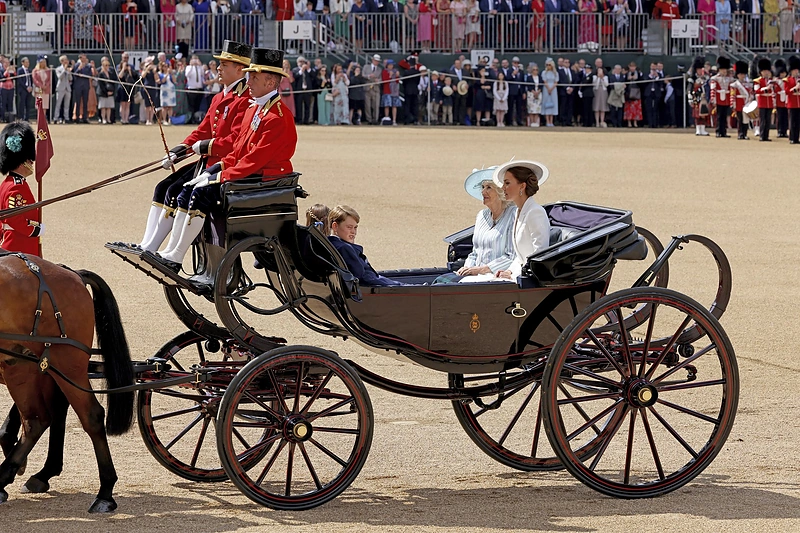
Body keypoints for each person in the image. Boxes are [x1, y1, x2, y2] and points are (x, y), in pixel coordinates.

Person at [153, 47, 298, 272]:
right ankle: (171, 251)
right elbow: (238, 150)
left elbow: (254, 160)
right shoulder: (255, 108)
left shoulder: (277, 117)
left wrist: (219, 175)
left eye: (254, 78)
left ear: (270, 83)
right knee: (187, 190)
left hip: (262, 178)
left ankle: (177, 255)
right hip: (246, 172)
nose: (248, 82)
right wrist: (214, 169)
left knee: (200, 194)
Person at [123, 41, 253, 254]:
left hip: (222, 164)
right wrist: (178, 151)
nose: (218, 68)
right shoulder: (220, 96)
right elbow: (202, 130)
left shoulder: (245, 99)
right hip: (207, 160)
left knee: (178, 192)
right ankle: (148, 244)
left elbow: (234, 141)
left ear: (240, 69)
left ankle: (164, 250)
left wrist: (202, 147)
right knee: (163, 187)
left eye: (224, 65)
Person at [435, 168, 516, 284]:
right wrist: (466, 268)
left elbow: (511, 256)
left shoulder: (513, 215)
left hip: (498, 278)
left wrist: (481, 270)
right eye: (483, 187)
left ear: (501, 191)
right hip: (475, 276)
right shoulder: (482, 215)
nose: (483, 192)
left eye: (488, 187)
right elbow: (475, 252)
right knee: (441, 281)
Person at [493, 161, 551, 281]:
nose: (503, 188)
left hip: (531, 279)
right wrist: (509, 270)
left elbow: (539, 254)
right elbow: (521, 256)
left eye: (507, 183)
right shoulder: (517, 212)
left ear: (522, 186)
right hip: (519, 276)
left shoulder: (535, 212)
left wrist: (513, 275)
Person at [328, 205, 403, 287]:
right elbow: (364, 278)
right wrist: (400, 285)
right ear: (335, 226)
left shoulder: (330, 244)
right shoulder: (344, 248)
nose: (353, 232)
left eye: (355, 227)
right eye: (349, 227)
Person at [0, 121, 42, 256]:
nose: (32, 161)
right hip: (18, 246)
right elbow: (13, 218)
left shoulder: (9, 183)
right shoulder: (15, 187)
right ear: (21, 161)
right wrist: (35, 229)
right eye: (29, 159)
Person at [710, 56, 732, 138]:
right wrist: (713, 100)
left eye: (725, 69)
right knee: (719, 116)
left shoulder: (729, 78)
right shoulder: (715, 78)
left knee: (724, 116)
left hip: (726, 99)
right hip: (719, 99)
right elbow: (713, 90)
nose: (724, 71)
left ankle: (724, 132)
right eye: (723, 69)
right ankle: (718, 131)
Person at [688, 56, 711, 136]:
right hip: (696, 98)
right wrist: (690, 99)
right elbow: (689, 90)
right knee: (697, 115)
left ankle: (703, 129)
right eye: (699, 69)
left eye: (701, 69)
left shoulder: (706, 78)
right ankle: (698, 129)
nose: (700, 71)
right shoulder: (692, 79)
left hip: (704, 99)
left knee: (704, 114)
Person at [731, 60, 751, 140]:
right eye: (741, 74)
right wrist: (733, 104)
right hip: (739, 103)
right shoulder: (735, 84)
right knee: (740, 120)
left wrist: (750, 99)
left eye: (743, 74)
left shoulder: (748, 84)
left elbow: (751, 93)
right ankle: (740, 133)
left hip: (746, 102)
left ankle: (745, 133)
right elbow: (733, 95)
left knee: (745, 120)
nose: (742, 76)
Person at [363, 55, 382, 125]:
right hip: (367, 88)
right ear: (372, 60)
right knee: (367, 105)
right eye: (375, 60)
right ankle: (369, 119)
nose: (376, 62)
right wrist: (369, 76)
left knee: (376, 105)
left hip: (376, 88)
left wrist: (378, 80)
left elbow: (381, 79)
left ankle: (375, 119)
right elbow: (363, 75)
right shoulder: (366, 67)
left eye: (378, 61)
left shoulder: (379, 69)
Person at [96, 58, 116, 125]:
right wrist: (106, 92)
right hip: (103, 92)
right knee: (103, 107)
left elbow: (113, 82)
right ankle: (103, 119)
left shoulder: (110, 73)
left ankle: (108, 119)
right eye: (105, 65)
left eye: (108, 65)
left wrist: (111, 91)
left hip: (110, 92)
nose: (107, 66)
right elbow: (101, 84)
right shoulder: (101, 74)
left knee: (109, 107)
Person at [32, 56, 52, 121]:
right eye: (42, 62)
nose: (43, 63)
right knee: (39, 104)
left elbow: (49, 79)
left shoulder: (48, 70)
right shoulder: (35, 70)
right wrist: (41, 86)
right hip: (39, 89)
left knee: (45, 105)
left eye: (44, 62)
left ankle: (43, 119)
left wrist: (46, 85)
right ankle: (39, 119)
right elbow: (35, 80)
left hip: (46, 90)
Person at [381, 60, 401, 125]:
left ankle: (394, 120)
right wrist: (390, 76)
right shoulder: (384, 71)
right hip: (387, 91)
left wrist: (397, 76)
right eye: (390, 65)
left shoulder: (395, 71)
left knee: (394, 106)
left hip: (394, 91)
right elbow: (384, 81)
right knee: (387, 105)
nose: (391, 66)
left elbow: (397, 81)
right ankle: (387, 119)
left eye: (392, 65)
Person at [54, 55, 72, 124]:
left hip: (67, 88)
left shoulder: (68, 69)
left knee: (66, 105)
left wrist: (69, 72)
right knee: (58, 104)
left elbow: (70, 78)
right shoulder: (58, 69)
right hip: (60, 88)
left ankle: (66, 118)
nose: (67, 61)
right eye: (65, 60)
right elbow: (59, 77)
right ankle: (56, 118)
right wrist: (64, 69)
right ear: (62, 61)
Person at [786, 56, 800, 145]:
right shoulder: (787, 80)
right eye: (795, 70)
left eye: (797, 70)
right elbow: (787, 91)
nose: (797, 71)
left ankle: (796, 138)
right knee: (792, 122)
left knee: (798, 122)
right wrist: (796, 88)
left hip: (799, 104)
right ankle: (792, 138)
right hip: (792, 103)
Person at [541, 58, 559, 127]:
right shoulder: (544, 73)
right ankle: (547, 121)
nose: (548, 66)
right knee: (546, 104)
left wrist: (551, 89)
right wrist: (548, 88)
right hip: (546, 89)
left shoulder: (555, 73)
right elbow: (545, 81)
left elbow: (556, 82)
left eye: (549, 65)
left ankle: (551, 121)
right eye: (547, 65)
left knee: (553, 104)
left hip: (553, 89)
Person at [15, 58, 33, 122]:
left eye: (28, 62)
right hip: (23, 89)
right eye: (26, 62)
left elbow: (31, 79)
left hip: (29, 89)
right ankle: (21, 118)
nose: (28, 64)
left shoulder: (30, 70)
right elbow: (20, 80)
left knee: (28, 104)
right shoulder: (20, 70)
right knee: (22, 104)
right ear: (22, 63)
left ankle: (27, 118)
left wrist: (31, 87)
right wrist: (26, 87)